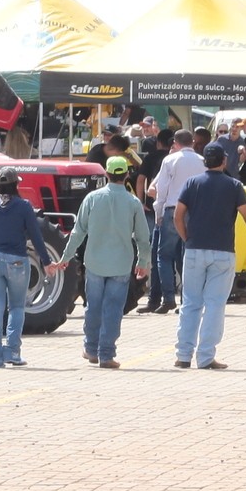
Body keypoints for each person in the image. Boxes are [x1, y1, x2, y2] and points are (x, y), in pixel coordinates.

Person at [170, 144, 246, 369]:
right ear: (224, 161)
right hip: (223, 252)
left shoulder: (192, 183)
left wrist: (188, 239)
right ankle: (205, 357)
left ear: (205, 161)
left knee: (190, 303)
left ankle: (183, 355)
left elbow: (178, 216)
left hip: (195, 250)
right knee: (215, 305)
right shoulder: (234, 186)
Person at [56, 155, 150, 367]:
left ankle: (90, 349)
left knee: (93, 307)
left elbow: (77, 232)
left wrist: (65, 258)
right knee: (113, 309)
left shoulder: (92, 198)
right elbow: (143, 238)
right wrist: (143, 262)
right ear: (126, 175)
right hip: (121, 265)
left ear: (106, 175)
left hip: (95, 263)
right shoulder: (133, 202)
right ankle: (107, 354)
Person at [0, 167, 53, 368]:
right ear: (15, 184)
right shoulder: (24, 206)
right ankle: (12, 352)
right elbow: (36, 236)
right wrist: (46, 261)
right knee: (17, 306)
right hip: (17, 261)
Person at [147, 126, 202, 313]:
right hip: (194, 212)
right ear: (193, 142)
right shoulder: (202, 161)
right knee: (189, 257)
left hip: (172, 209)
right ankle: (187, 299)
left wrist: (159, 213)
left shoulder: (170, 160)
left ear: (175, 143)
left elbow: (161, 189)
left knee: (164, 255)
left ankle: (168, 298)